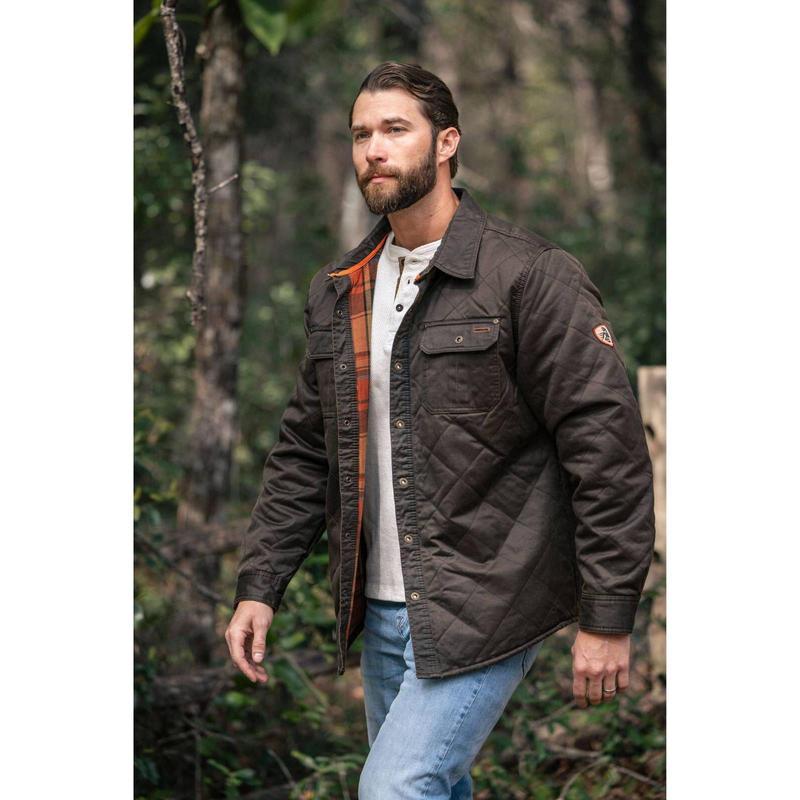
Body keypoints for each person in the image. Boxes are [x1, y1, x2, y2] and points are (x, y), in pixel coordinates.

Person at [225, 61, 656, 799]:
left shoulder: (529, 274)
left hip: (488, 600)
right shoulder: (341, 289)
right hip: (382, 606)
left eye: (395, 130)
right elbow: (305, 451)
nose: (374, 150)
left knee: (394, 787)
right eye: (361, 134)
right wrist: (260, 585)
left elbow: (606, 447)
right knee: (434, 787)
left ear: (447, 142)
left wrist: (608, 616)